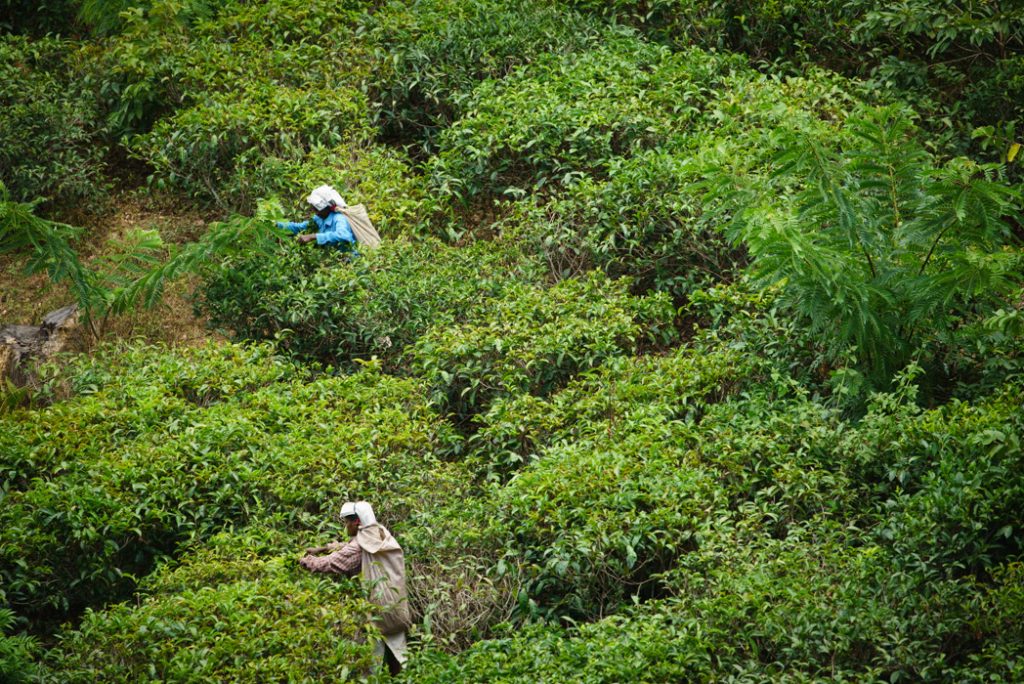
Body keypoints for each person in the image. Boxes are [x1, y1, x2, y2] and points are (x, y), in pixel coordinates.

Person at [299, 501, 411, 675]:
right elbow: (351, 545)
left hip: (376, 612)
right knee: (399, 657)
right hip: (395, 608)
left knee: (370, 661)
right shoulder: (379, 533)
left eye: (346, 522)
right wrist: (323, 548)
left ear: (356, 522)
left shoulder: (358, 547)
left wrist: (306, 561)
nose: (345, 526)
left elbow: (333, 562)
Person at [276, 184, 357, 252]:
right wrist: (277, 224)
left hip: (350, 262)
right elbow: (299, 227)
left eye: (318, 209)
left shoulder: (339, 218)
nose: (315, 212)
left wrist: (313, 236)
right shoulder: (319, 218)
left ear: (327, 208)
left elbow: (343, 235)